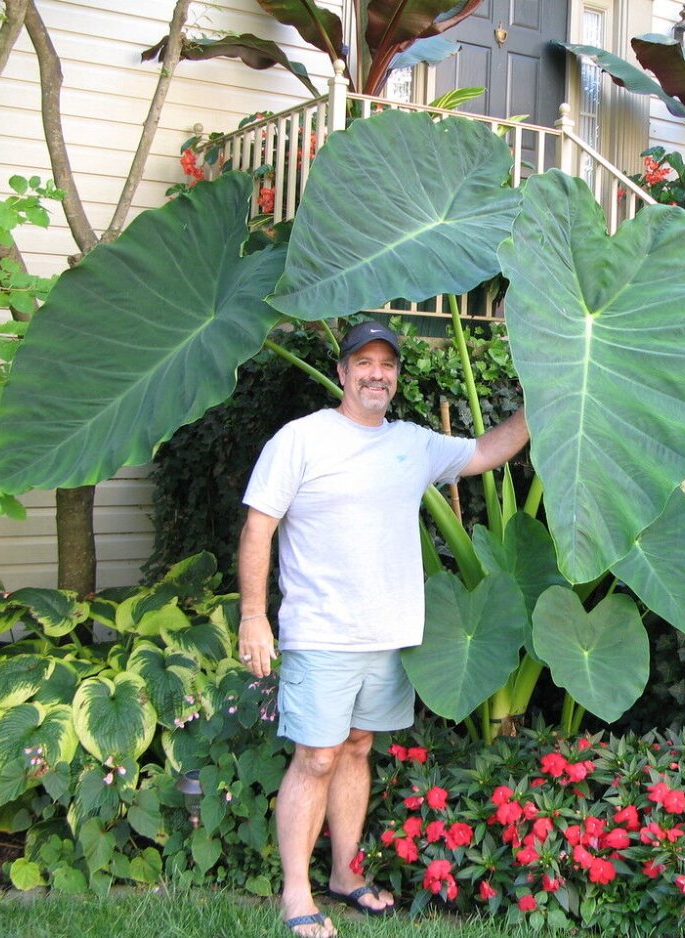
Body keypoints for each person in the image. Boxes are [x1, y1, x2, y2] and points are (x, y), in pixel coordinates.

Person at [237, 320, 529, 938]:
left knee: (359, 748)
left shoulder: (412, 444)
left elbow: (483, 452)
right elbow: (258, 527)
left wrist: (544, 402)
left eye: (387, 365)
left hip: (388, 633)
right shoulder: (302, 439)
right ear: (342, 372)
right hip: (321, 632)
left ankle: (345, 873)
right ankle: (296, 895)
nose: (376, 373)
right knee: (316, 756)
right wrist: (253, 616)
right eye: (363, 362)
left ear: (395, 376)